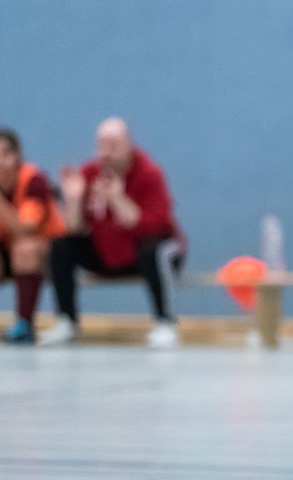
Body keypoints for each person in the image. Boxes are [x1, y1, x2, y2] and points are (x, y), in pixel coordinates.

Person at [43, 118, 186, 349]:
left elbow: (155, 227)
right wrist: (73, 199)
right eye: (101, 145)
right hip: (108, 251)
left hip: (146, 250)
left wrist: (117, 199)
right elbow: (73, 228)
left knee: (155, 251)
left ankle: (165, 322)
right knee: (61, 246)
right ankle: (66, 321)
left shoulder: (150, 173)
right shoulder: (89, 174)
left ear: (129, 144)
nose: (106, 153)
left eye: (114, 145)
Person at [0, 128, 64, 344]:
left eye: (5, 155)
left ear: (17, 157)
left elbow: (25, 228)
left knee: (25, 248)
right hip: (7, 250)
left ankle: (24, 323)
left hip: (46, 253)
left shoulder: (34, 180)